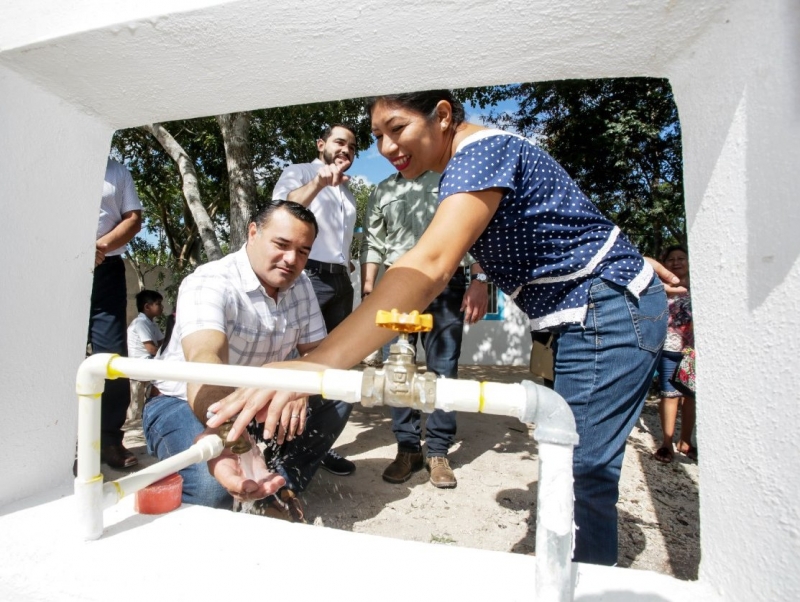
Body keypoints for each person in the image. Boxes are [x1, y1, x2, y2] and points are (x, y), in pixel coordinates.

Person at [209, 90, 678, 566]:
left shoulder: (480, 153)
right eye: (378, 137)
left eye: (398, 128)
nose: (388, 147)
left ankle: (579, 581)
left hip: (601, 311)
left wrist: (312, 368)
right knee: (569, 470)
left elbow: (430, 265)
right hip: (592, 306)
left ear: (444, 116)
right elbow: (561, 217)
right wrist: (621, 255)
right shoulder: (466, 167)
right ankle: (566, 571)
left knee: (580, 474)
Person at [143, 201, 350, 520]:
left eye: (303, 251)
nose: (292, 260)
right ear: (253, 233)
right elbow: (204, 360)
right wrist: (231, 436)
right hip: (185, 402)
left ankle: (279, 488)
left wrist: (301, 384)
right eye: (281, 244)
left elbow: (319, 353)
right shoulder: (210, 280)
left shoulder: (301, 284)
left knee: (338, 393)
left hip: (256, 400)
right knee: (212, 490)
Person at [361, 169, 489, 488]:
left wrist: (480, 280)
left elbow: (469, 232)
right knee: (398, 369)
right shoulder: (383, 189)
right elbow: (374, 242)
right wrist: (367, 289)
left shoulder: (451, 180)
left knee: (443, 368)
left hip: (445, 282)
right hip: (396, 284)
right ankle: (408, 450)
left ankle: (438, 452)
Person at [271, 124, 359, 476]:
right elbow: (280, 210)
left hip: (340, 280)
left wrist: (346, 260)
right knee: (297, 361)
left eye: (352, 147)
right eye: (340, 142)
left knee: (334, 366)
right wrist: (320, 182)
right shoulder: (300, 172)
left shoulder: (350, 192)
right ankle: (275, 446)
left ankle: (317, 446)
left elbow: (339, 236)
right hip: (309, 279)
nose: (346, 150)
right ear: (321, 144)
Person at [88, 157, 142, 469]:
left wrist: (99, 247)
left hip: (105, 268)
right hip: (53, 263)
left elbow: (133, 219)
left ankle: (109, 439)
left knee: (112, 357)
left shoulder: (117, 170)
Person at [653, 245, 696, 463]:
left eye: (681, 258)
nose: (677, 262)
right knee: (669, 395)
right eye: (672, 259)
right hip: (668, 348)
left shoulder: (701, 285)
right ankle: (666, 444)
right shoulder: (658, 287)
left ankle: (686, 441)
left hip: (693, 351)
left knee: (690, 397)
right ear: (665, 263)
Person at [126, 289, 165, 421]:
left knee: (147, 400)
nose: (161, 307)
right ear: (147, 307)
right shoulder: (141, 323)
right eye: (158, 304)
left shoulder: (151, 323)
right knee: (136, 403)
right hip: (139, 369)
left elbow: (163, 343)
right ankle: (134, 426)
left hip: (149, 367)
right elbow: (152, 349)